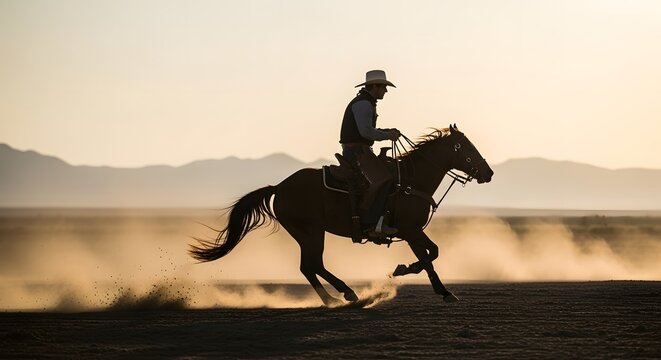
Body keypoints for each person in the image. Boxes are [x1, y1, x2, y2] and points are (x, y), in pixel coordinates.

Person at [339, 70, 401, 236]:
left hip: (359, 150)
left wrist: (387, 131)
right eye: (384, 87)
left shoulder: (366, 102)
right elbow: (366, 132)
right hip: (358, 152)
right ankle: (372, 224)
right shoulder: (363, 104)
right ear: (375, 86)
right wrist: (388, 135)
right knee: (383, 179)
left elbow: (367, 131)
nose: (386, 91)